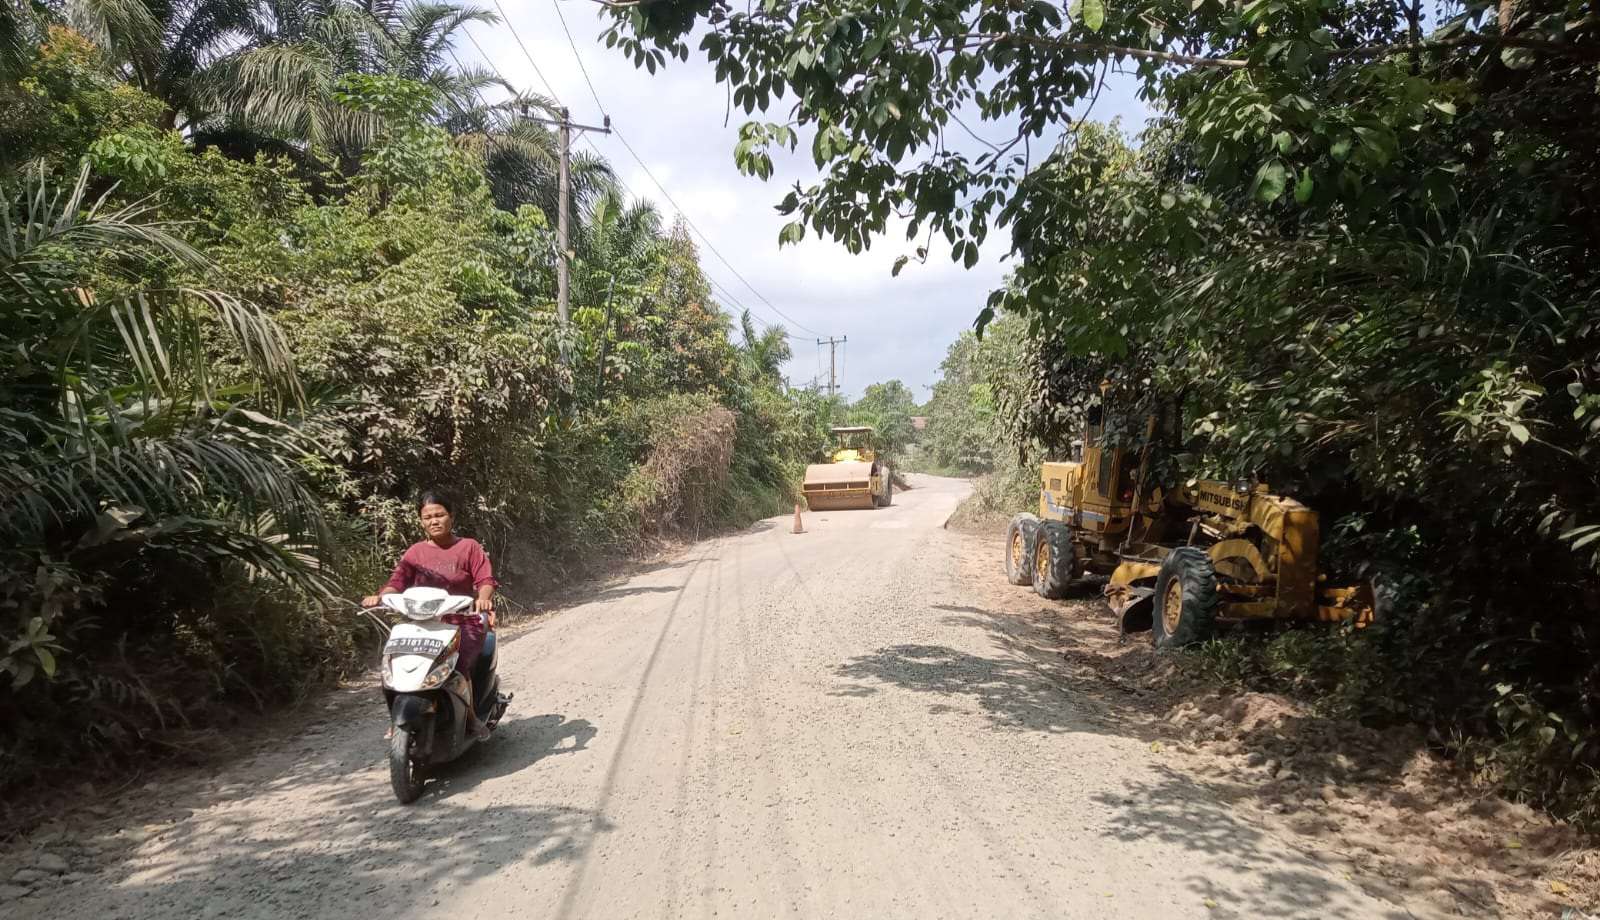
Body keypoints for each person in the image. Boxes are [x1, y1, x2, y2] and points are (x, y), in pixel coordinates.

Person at [364, 491, 499, 740]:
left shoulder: (468, 547)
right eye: (428, 517)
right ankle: (398, 717)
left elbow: (485, 579)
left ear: (451, 517)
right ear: (421, 521)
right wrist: (381, 596)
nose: (434, 521)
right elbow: (397, 581)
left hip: (462, 620)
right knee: (393, 664)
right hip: (423, 622)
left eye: (440, 515)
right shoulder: (415, 552)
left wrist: (483, 598)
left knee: (457, 664)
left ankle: (470, 719)